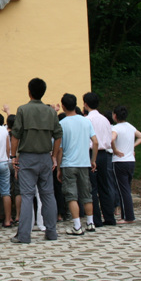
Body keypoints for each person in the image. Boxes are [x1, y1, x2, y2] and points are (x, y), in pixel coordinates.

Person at [10, 78, 63, 244]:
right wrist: (53, 156)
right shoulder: (51, 112)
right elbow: (58, 135)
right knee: (48, 195)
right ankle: (51, 232)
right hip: (45, 157)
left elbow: (15, 135)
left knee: (27, 196)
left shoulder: (23, 110)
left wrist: (13, 156)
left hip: (27, 158)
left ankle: (24, 235)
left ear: (29, 92)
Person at [57, 94, 98, 236]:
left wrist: (58, 168)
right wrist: (93, 160)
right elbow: (95, 142)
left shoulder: (62, 124)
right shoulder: (86, 121)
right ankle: (90, 223)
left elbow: (60, 149)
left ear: (63, 106)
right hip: (84, 162)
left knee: (71, 195)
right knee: (86, 194)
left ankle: (77, 225)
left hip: (68, 164)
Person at [83, 92, 117, 226]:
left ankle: (96, 219)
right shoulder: (105, 119)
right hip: (104, 154)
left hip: (91, 153)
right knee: (104, 186)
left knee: (92, 187)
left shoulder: (87, 120)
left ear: (85, 104)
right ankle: (109, 217)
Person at [111, 105, 141, 224]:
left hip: (119, 161)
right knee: (127, 189)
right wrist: (132, 146)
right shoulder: (130, 127)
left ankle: (127, 216)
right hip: (131, 161)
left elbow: (111, 139)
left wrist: (115, 150)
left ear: (115, 116)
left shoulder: (115, 128)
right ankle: (127, 215)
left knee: (122, 190)